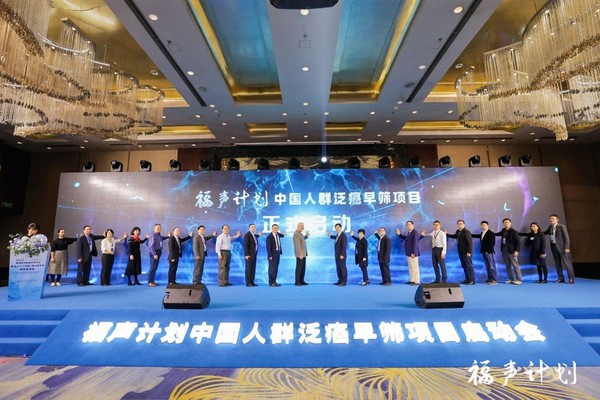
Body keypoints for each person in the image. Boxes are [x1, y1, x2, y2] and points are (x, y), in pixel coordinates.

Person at [544, 214, 574, 284]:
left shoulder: (561, 226)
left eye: (553, 218)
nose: (551, 220)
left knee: (567, 263)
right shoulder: (550, 227)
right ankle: (560, 278)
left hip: (562, 247)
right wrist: (537, 232)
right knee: (557, 263)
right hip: (554, 246)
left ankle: (571, 278)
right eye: (550, 218)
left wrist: (567, 247)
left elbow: (566, 237)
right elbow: (545, 232)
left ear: (557, 220)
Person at [446, 220, 475, 285]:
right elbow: (454, 236)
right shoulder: (458, 231)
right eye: (458, 224)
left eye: (461, 224)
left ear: (464, 224)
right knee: (464, 265)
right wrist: (446, 234)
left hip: (466, 252)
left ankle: (472, 280)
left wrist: (469, 251)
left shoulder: (466, 232)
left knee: (469, 265)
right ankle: (467, 279)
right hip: (461, 251)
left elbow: (469, 242)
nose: (460, 225)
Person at [396, 221, 424, 285]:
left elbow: (415, 243)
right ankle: (412, 280)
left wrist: (413, 252)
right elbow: (406, 238)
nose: (408, 226)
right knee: (411, 267)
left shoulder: (415, 232)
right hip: (409, 252)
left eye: (409, 225)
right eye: (407, 225)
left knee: (414, 267)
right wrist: (399, 234)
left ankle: (416, 281)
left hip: (413, 253)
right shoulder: (410, 232)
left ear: (413, 225)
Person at [496, 218, 522, 285]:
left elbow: (518, 242)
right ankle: (511, 279)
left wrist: (517, 250)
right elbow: (498, 234)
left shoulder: (514, 232)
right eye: (505, 222)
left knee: (515, 265)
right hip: (504, 250)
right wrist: (490, 232)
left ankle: (519, 280)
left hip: (512, 251)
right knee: (508, 266)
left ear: (510, 223)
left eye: (507, 222)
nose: (506, 223)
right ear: (503, 223)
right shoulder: (503, 230)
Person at [473, 221, 497, 285]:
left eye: (485, 225)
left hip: (489, 252)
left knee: (491, 266)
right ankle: (490, 279)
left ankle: (494, 280)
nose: (483, 226)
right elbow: (477, 236)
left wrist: (488, 251)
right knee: (487, 266)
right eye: (482, 225)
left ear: (487, 225)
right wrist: (469, 234)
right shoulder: (482, 233)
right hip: (483, 251)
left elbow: (492, 243)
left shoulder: (491, 233)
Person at [292, 222, 310, 286]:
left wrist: (306, 236)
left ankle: (302, 280)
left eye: (303, 226)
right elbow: (297, 245)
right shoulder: (296, 234)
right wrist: (300, 254)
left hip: (303, 254)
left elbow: (302, 239)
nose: (302, 227)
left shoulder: (300, 233)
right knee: (299, 268)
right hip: (300, 254)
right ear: (297, 226)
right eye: (300, 226)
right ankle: (297, 282)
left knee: (303, 268)